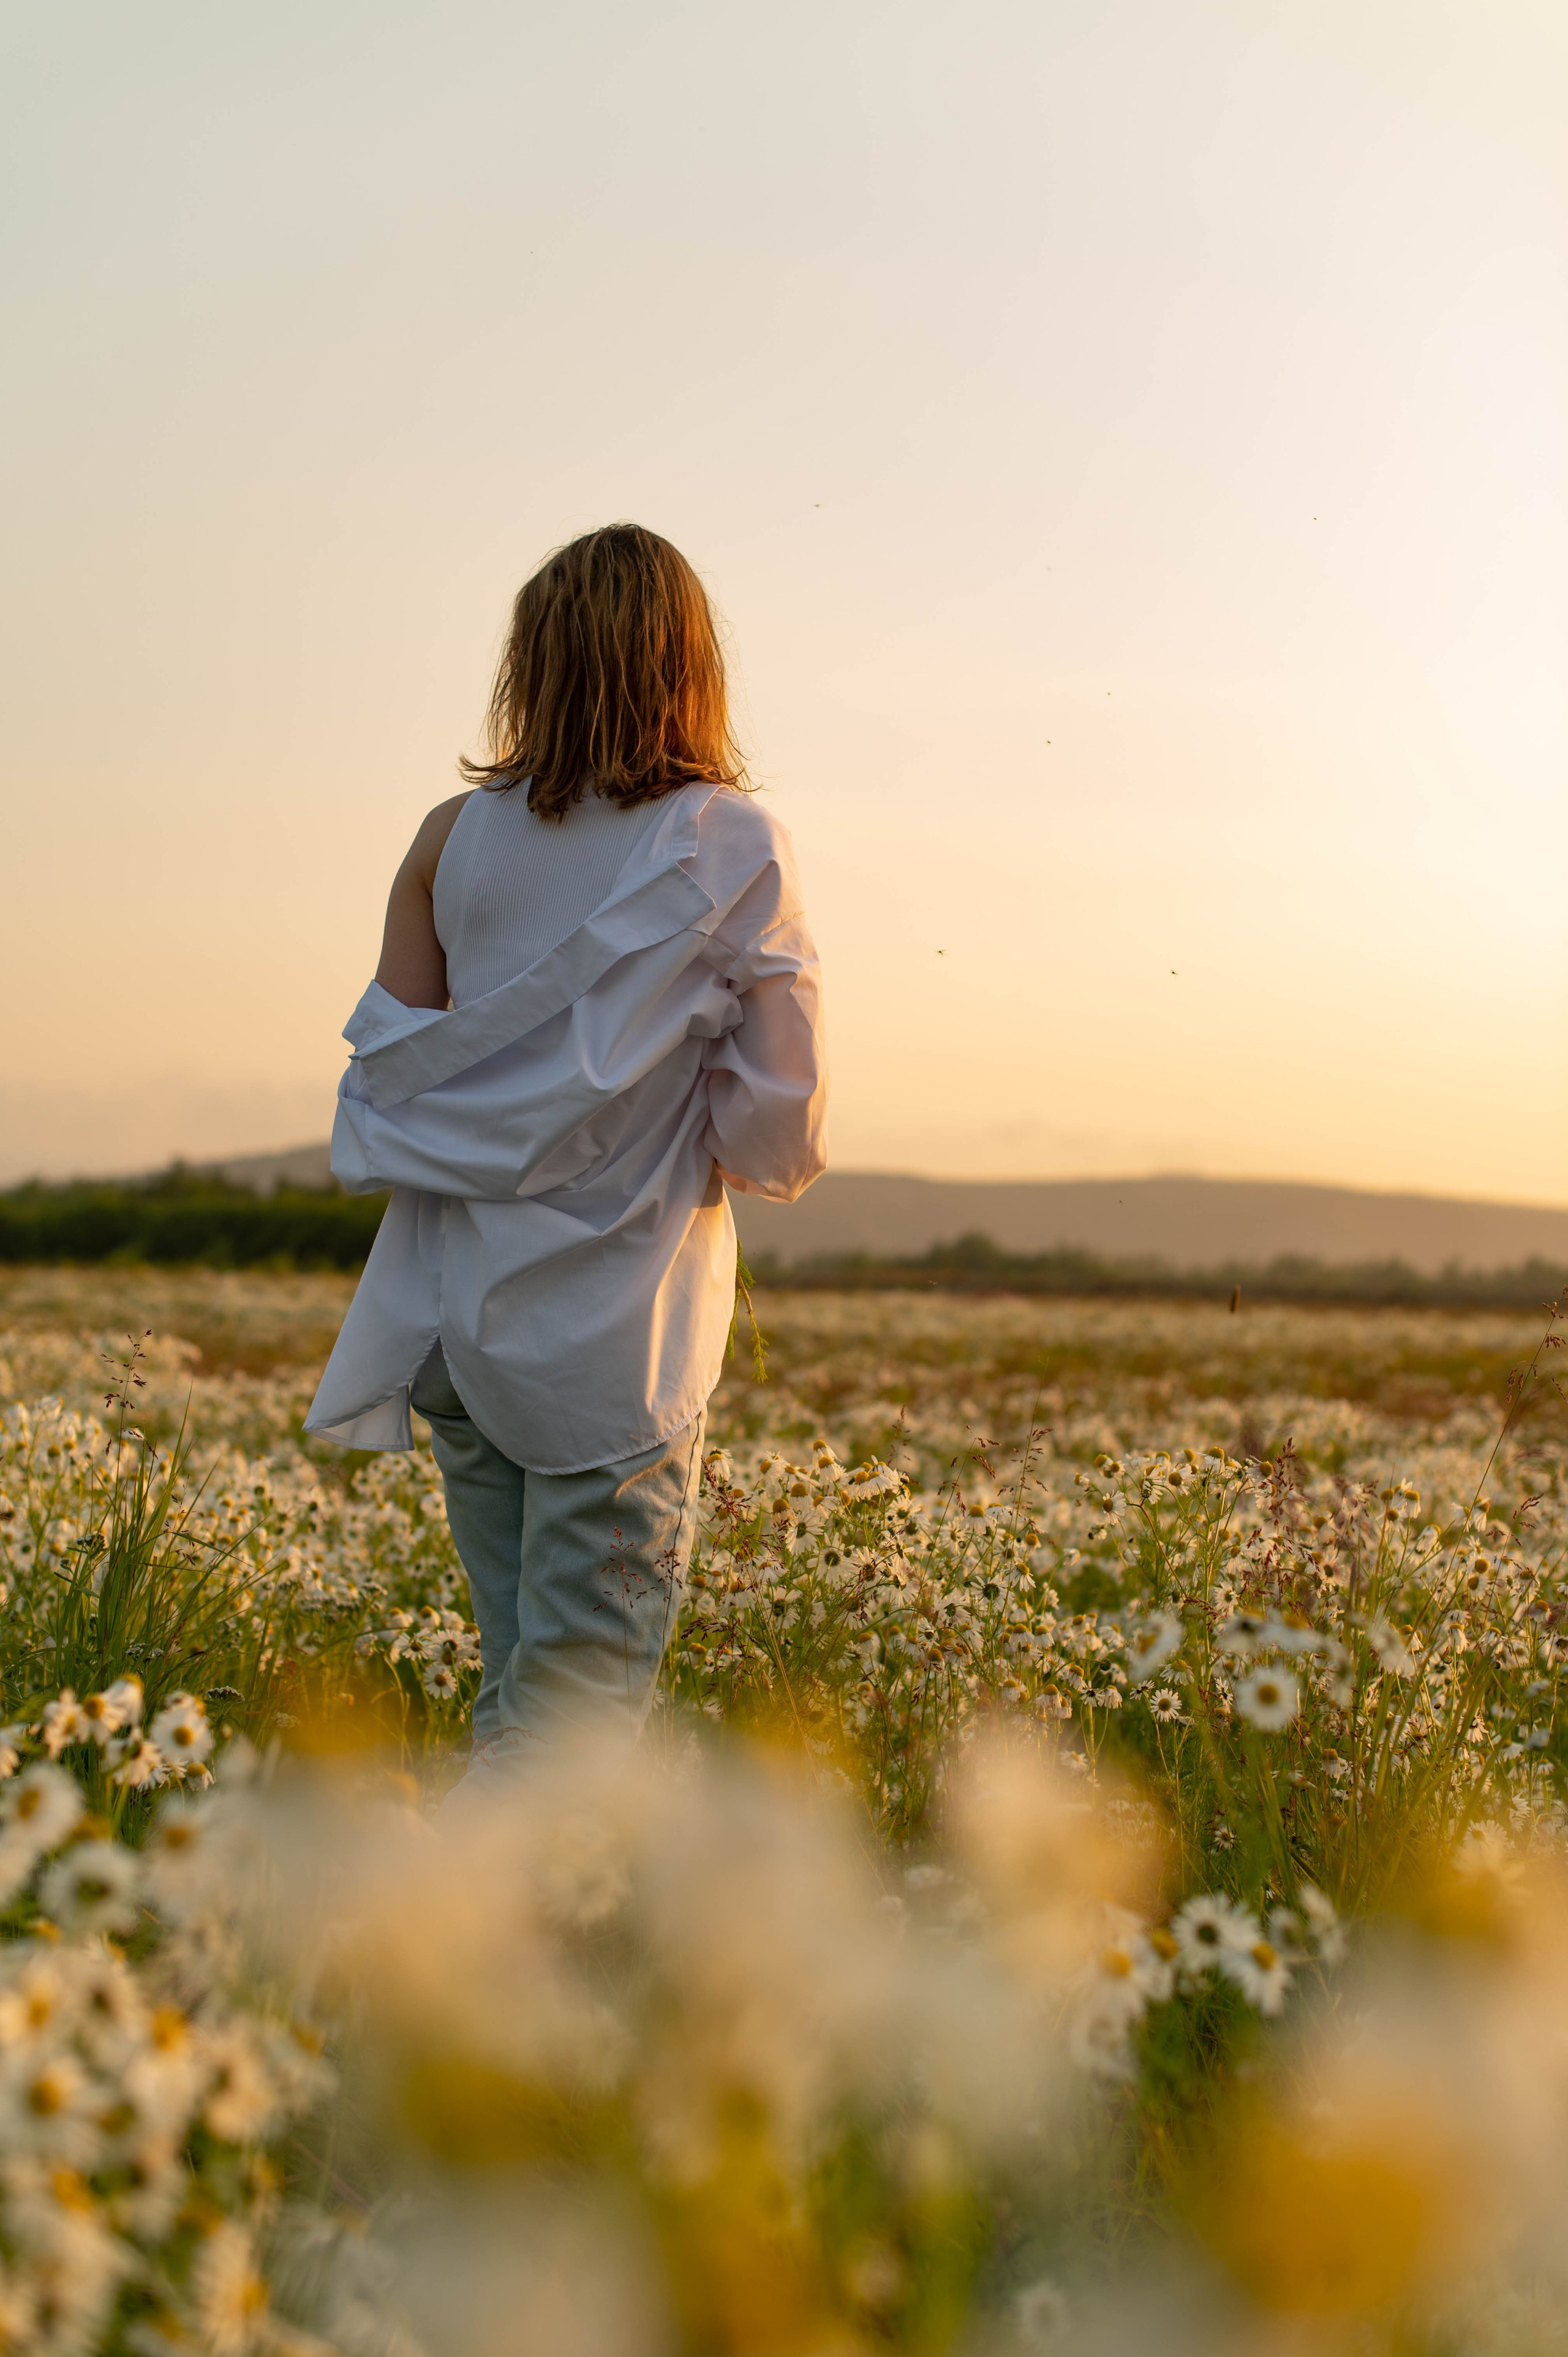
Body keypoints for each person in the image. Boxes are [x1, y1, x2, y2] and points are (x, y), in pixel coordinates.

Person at [305, 524, 827, 1792]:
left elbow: (403, 1080)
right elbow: (781, 1129)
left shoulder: (447, 838)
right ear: (688, 663)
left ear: (529, 664)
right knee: (577, 1730)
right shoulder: (730, 840)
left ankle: (454, 1960)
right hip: (617, 1340)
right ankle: (438, 1964)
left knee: (520, 1688)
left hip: (456, 1325)